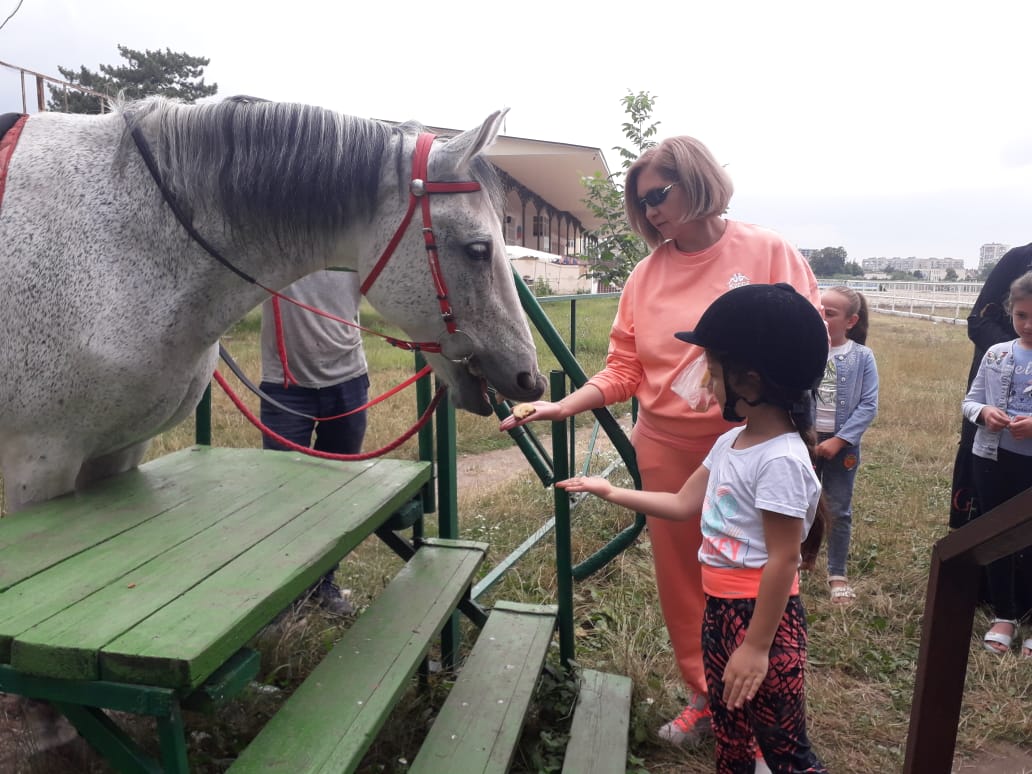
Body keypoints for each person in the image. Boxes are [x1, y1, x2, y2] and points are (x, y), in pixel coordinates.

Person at [499, 135, 821, 746]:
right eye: (639, 202)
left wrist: (795, 427)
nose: (649, 212)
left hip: (751, 440)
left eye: (657, 195)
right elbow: (625, 368)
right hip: (668, 445)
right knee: (687, 574)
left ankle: (761, 685)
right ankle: (707, 696)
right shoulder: (646, 275)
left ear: (696, 180)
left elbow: (806, 343)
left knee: (757, 566)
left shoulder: (768, 251)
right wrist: (562, 405)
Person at [558, 284, 828, 773]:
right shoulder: (731, 442)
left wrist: (757, 646)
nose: (705, 381)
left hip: (761, 616)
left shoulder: (781, 460)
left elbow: (784, 559)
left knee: (782, 743)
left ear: (749, 380)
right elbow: (684, 503)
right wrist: (610, 491)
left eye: (712, 370)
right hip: (721, 610)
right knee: (732, 730)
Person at [260, 269, 370, 615]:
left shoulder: (351, 236)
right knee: (285, 497)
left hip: (349, 380)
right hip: (286, 386)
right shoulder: (279, 236)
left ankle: (324, 586)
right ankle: (285, 595)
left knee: (334, 493)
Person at [962, 270, 1032, 656]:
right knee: (999, 535)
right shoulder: (996, 354)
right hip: (992, 460)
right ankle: (1004, 613)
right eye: (1021, 315)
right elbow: (969, 401)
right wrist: (985, 412)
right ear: (1011, 312)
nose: (1028, 324)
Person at [951, 243, 1032, 529]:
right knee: (988, 509)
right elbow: (979, 320)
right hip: (998, 401)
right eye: (1022, 316)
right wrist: (1009, 354)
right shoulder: (1019, 259)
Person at [813, 285, 879, 604]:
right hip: (805, 441)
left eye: (829, 313)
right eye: (818, 310)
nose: (821, 317)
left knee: (838, 509)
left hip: (843, 447)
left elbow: (868, 405)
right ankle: (799, 559)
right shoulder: (807, 349)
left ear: (850, 321)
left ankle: (837, 572)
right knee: (799, 503)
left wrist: (839, 440)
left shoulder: (862, 357)